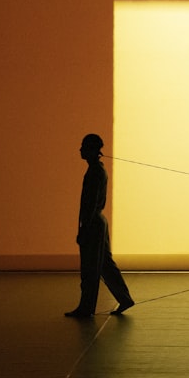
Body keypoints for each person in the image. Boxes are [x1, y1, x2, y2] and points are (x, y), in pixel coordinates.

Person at [65, 133, 135, 318]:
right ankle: (124, 298)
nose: (80, 150)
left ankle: (86, 308)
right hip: (97, 222)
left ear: (92, 150)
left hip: (93, 224)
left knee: (90, 268)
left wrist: (83, 229)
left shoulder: (95, 172)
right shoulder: (97, 170)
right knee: (105, 264)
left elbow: (89, 205)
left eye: (83, 146)